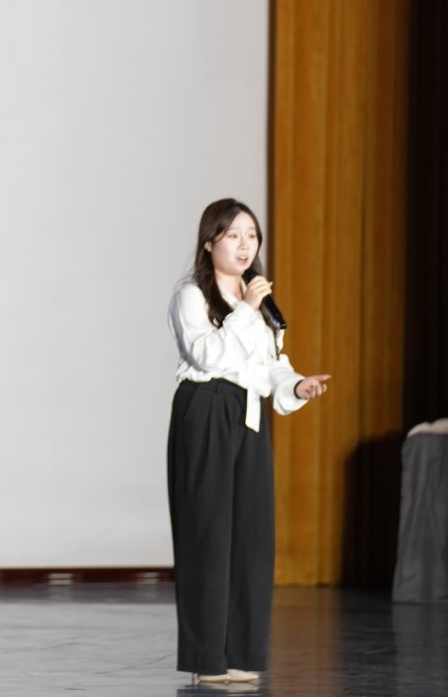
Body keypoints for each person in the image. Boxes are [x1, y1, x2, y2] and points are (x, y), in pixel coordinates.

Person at [166, 198, 330, 686]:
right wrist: (246, 309)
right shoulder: (192, 295)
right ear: (209, 242)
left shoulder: (260, 301)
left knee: (252, 538)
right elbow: (207, 354)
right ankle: (206, 659)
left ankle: (241, 654)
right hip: (206, 409)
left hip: (249, 414)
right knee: (207, 536)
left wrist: (296, 385)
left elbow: (271, 365)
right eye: (234, 235)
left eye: (252, 236)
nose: (245, 245)